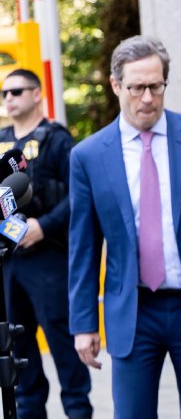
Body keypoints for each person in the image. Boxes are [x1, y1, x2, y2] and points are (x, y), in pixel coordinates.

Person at [68, 35, 181, 418]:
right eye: (137, 87)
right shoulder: (88, 156)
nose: (147, 98)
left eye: (156, 86)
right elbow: (83, 247)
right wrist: (84, 324)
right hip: (134, 311)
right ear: (116, 85)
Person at [0, 69, 93, 419]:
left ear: (37, 94)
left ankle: (78, 412)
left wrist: (44, 226)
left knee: (66, 352)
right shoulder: (1, 140)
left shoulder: (56, 140)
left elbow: (78, 195)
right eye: (5, 93)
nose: (9, 98)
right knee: (17, 353)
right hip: (9, 262)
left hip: (49, 259)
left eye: (17, 91)